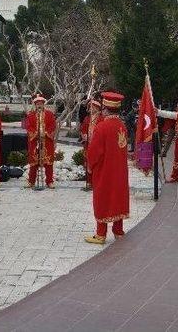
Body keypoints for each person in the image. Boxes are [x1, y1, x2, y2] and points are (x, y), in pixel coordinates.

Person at [85, 92, 130, 244]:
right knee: (118, 198)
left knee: (102, 198)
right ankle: (118, 231)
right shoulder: (122, 126)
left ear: (105, 108)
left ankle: (100, 234)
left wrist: (90, 166)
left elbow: (94, 152)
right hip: (120, 171)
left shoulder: (101, 127)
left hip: (104, 170)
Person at [25, 94, 56, 189]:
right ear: (35, 104)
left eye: (41, 103)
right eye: (37, 103)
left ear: (43, 104)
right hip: (35, 141)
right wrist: (35, 134)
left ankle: (49, 181)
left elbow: (53, 125)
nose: (39, 105)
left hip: (47, 140)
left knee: (48, 162)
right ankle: (31, 181)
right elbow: (28, 127)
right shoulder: (30, 115)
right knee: (34, 162)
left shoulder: (50, 114)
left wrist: (46, 133)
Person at [80, 98, 103, 191]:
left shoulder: (102, 118)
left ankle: (97, 182)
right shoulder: (87, 118)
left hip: (98, 145)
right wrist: (84, 134)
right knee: (88, 162)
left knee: (97, 163)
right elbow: (83, 128)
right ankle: (89, 182)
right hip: (88, 144)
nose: (91, 109)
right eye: (90, 107)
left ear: (97, 108)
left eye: (93, 107)